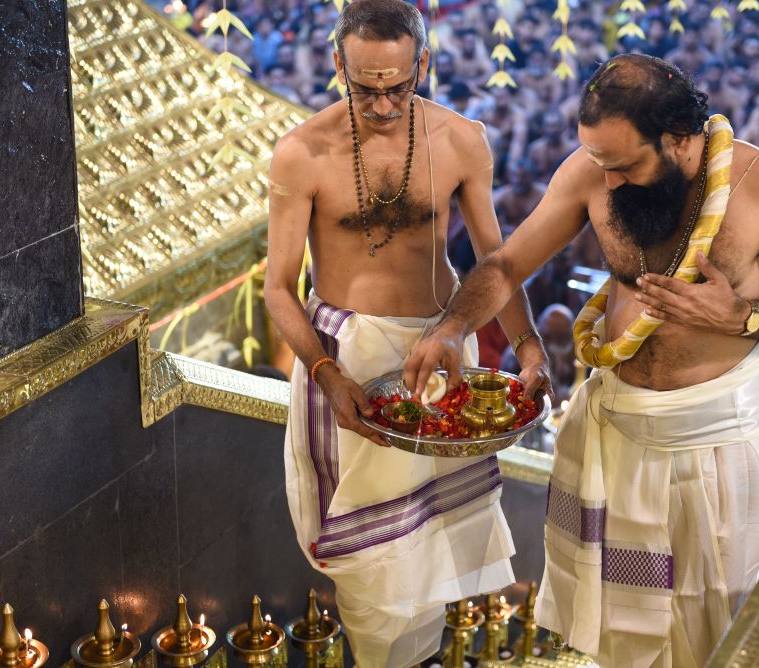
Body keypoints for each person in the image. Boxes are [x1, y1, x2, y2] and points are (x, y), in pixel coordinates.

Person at [405, 54, 759, 667]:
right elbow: (505, 266)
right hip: (619, 423)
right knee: (614, 622)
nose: (607, 182)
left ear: (679, 138)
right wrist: (452, 328)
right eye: (600, 163)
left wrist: (741, 316)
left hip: (710, 434)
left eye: (625, 166)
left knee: (706, 617)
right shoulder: (593, 172)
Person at [262, 2, 550, 665]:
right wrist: (326, 373)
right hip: (347, 357)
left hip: (441, 353)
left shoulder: (461, 140)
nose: (384, 104)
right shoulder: (302, 153)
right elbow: (279, 287)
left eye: (398, 86)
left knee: (430, 547)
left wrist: (529, 345)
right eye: (366, 89)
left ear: (423, 63)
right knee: (369, 567)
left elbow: (496, 262)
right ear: (339, 66)